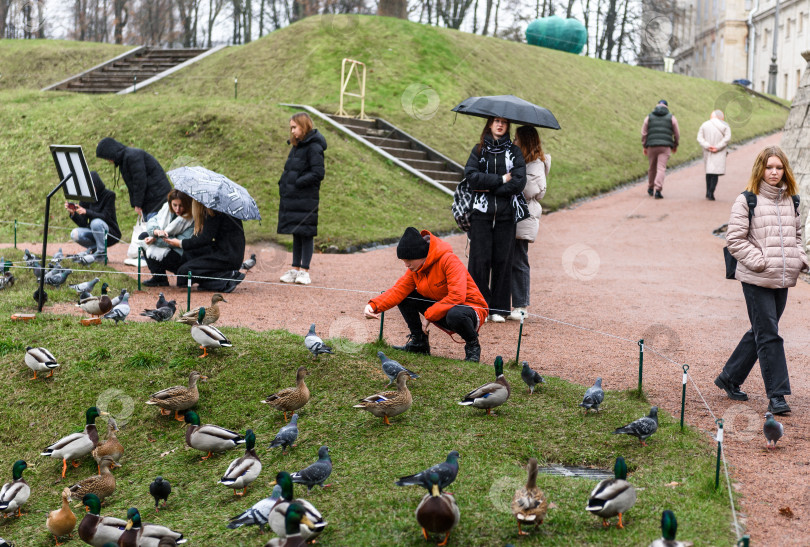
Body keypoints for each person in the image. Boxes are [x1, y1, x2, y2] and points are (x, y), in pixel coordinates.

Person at [715, 146, 808, 415]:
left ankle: (730, 377)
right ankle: (777, 396)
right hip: (756, 278)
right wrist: (759, 262)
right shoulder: (746, 200)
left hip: (782, 278)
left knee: (761, 330)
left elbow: (798, 237)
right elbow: (734, 240)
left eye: (779, 167)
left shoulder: (793, 201)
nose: (774, 172)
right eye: (769, 167)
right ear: (760, 169)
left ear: (785, 170)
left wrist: (799, 258)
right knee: (770, 335)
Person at [364, 227, 488, 362]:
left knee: (455, 314)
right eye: (403, 261)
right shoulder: (416, 269)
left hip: (470, 309)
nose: (406, 265)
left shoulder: (449, 260)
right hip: (443, 308)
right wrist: (373, 306)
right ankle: (419, 343)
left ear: (420, 255)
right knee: (405, 297)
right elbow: (398, 290)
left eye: (408, 260)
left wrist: (430, 315)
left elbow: (457, 296)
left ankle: (473, 347)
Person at [463, 116, 527, 322]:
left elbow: (518, 182)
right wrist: (500, 179)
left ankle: (498, 309)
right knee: (479, 260)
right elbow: (471, 178)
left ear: (508, 126)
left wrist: (491, 189)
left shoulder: (514, 152)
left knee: (503, 260)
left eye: (504, 122)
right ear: (490, 124)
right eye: (496, 121)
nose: (500, 125)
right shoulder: (478, 151)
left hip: (506, 214)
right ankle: (477, 305)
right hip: (481, 213)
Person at [277, 112, 327, 286]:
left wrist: (297, 183)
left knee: (306, 233)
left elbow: (318, 173)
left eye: (294, 127)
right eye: (290, 127)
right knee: (296, 233)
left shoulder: (314, 147)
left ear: (303, 126)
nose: (292, 131)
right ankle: (295, 268)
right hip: (293, 198)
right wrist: (283, 184)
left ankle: (305, 271)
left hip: (306, 197)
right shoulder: (297, 145)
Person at [508, 126, 550, 321]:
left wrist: (512, 177)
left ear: (526, 142)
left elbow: (530, 189)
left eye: (517, 139)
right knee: (504, 260)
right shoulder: (519, 162)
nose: (514, 142)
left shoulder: (536, 164)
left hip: (523, 217)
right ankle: (501, 303)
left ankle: (521, 305)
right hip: (509, 216)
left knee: (518, 261)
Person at [164, 199, 246, 293]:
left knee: (185, 271)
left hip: (228, 256)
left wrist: (180, 243)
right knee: (190, 254)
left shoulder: (214, 212)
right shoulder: (222, 208)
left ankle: (227, 278)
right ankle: (216, 279)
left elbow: (204, 239)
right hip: (229, 251)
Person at [95, 137, 172, 221]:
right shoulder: (124, 160)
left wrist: (137, 204)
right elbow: (132, 185)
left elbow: (139, 182)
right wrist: (136, 204)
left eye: (106, 157)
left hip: (158, 199)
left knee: (153, 226)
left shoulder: (132, 156)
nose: (108, 160)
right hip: (150, 200)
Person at [140, 189, 194, 287]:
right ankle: (159, 278)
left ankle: (166, 277)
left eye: (181, 206)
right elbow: (152, 221)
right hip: (166, 245)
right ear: (170, 203)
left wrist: (155, 238)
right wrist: (156, 231)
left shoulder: (191, 218)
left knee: (148, 240)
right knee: (143, 236)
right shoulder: (166, 209)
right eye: (175, 205)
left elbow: (178, 241)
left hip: (180, 255)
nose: (177, 209)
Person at [67, 171, 121, 257]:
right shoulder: (85, 197)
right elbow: (83, 224)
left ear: (97, 184)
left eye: (92, 186)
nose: (90, 189)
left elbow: (106, 216)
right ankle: (94, 249)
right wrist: (73, 214)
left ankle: (101, 254)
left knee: (96, 222)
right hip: (93, 231)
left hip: (110, 233)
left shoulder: (109, 195)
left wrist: (87, 211)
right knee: (74, 233)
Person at [641, 99, 679, 199]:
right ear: (667, 107)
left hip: (651, 145)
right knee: (661, 168)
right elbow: (676, 133)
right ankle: (658, 190)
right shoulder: (671, 118)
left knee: (651, 168)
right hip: (665, 146)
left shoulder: (649, 117)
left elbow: (644, 133)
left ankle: (650, 188)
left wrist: (644, 145)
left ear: (657, 106)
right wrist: (675, 144)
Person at [696, 110, 731, 201]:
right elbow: (727, 138)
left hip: (708, 151)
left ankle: (708, 191)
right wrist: (718, 147)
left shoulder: (704, 125)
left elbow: (700, 138)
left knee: (708, 172)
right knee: (715, 172)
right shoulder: (725, 125)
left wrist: (707, 146)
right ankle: (711, 192)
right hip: (719, 151)